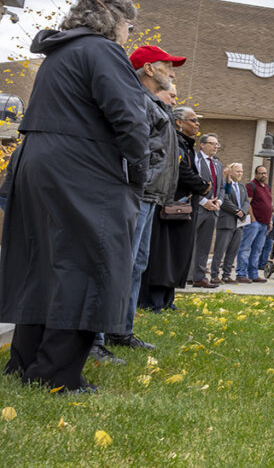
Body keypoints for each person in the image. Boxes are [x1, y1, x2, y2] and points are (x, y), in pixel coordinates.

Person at [0, 0, 150, 393]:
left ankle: (26, 361)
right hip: (81, 165)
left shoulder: (58, 52)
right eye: (129, 26)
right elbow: (129, 119)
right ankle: (55, 374)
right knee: (88, 263)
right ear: (111, 17)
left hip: (37, 159)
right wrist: (138, 170)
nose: (128, 35)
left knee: (44, 263)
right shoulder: (102, 51)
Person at [101, 45, 185, 352]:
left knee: (135, 265)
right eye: (167, 66)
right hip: (137, 194)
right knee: (120, 264)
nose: (173, 72)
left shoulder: (154, 104)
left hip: (149, 196)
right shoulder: (137, 100)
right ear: (148, 69)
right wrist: (141, 184)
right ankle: (98, 337)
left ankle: (121, 330)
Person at [140, 107, 210, 312]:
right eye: (193, 120)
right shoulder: (175, 142)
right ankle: (155, 300)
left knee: (178, 253)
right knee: (165, 254)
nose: (197, 124)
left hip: (182, 209)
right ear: (179, 122)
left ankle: (168, 298)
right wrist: (203, 185)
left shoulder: (186, 145)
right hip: (170, 207)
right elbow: (179, 170)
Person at [190, 133, 223, 287]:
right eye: (212, 143)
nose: (216, 147)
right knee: (188, 242)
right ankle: (184, 275)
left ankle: (199, 277)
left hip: (213, 210)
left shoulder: (218, 164)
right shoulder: (195, 159)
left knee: (204, 245)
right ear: (202, 145)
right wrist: (204, 201)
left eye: (217, 144)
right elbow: (191, 182)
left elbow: (221, 187)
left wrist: (219, 201)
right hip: (198, 207)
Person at [210, 163, 249, 283]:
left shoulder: (242, 187)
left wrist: (242, 211)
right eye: (237, 171)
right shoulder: (225, 184)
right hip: (226, 222)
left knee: (232, 251)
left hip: (239, 224)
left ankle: (226, 275)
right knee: (220, 250)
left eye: (241, 171)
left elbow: (246, 201)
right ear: (231, 172)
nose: (240, 173)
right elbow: (224, 200)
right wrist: (236, 211)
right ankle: (214, 275)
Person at [235, 165, 272, 284]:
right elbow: (247, 203)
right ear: (256, 174)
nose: (263, 175)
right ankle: (241, 274)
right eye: (261, 173)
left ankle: (253, 274)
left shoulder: (266, 187)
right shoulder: (251, 186)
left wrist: (270, 221)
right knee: (246, 248)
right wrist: (253, 219)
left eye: (265, 173)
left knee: (257, 250)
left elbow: (269, 205)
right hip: (253, 223)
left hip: (264, 224)